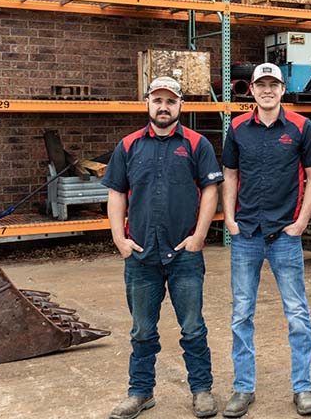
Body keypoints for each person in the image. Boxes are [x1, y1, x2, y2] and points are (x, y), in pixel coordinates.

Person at [103, 76, 223, 419]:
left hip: (184, 253)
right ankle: (140, 392)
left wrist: (199, 236)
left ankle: (201, 390)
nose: (164, 107)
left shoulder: (198, 144)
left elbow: (211, 191)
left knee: (193, 327)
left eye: (170, 101)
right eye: (158, 100)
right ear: (147, 104)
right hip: (141, 254)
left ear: (180, 106)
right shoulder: (128, 146)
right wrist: (118, 239)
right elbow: (116, 193)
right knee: (142, 329)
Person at [220, 63, 311, 418]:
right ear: (251, 89)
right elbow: (230, 175)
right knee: (241, 314)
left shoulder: (300, 127)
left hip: (284, 235)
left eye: (273, 84)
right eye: (261, 84)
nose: (267, 90)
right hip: (247, 233)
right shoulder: (236, 128)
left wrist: (301, 223)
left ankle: (303, 388)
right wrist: (230, 219)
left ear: (283, 89)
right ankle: (243, 388)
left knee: (297, 313)